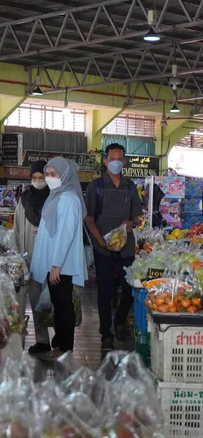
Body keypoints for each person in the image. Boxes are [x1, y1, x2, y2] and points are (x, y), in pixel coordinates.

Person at [84, 143, 142, 352]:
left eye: (119, 158)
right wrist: (100, 241)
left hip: (126, 247)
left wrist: (131, 224)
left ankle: (119, 321)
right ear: (106, 161)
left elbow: (135, 216)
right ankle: (105, 334)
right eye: (112, 158)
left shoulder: (130, 186)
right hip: (103, 248)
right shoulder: (96, 187)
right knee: (105, 292)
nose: (116, 162)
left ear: (124, 161)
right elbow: (89, 219)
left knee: (128, 288)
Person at [30, 157, 87, 361]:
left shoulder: (69, 199)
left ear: (64, 175)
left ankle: (65, 348)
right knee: (59, 303)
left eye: (54, 174)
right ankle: (60, 345)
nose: (49, 178)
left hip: (61, 265)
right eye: (48, 174)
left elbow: (65, 234)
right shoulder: (56, 196)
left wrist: (56, 265)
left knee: (63, 307)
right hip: (56, 264)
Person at [14, 160, 50, 354]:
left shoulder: (54, 198)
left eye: (42, 178)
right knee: (36, 300)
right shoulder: (24, 199)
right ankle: (42, 340)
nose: (38, 181)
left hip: (52, 259)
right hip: (30, 257)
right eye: (34, 178)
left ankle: (60, 339)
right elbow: (17, 227)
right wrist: (19, 255)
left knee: (55, 300)